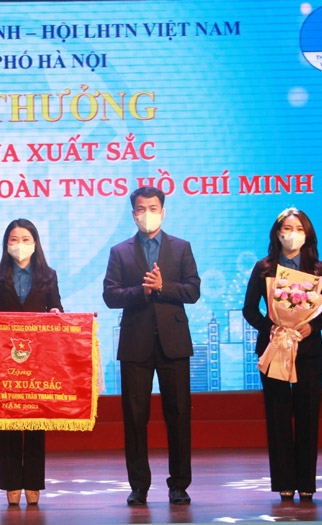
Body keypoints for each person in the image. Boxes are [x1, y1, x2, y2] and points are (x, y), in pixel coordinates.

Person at [102, 186, 201, 506]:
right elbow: (110, 295)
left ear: (163, 211)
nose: (148, 214)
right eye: (141, 209)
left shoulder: (181, 247)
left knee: (179, 414)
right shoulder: (120, 251)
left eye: (153, 208)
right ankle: (139, 485)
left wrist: (163, 287)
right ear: (134, 214)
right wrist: (141, 291)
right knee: (134, 417)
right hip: (136, 344)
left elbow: (193, 290)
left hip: (174, 343)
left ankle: (179, 485)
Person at [242, 208, 322, 501]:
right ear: (277, 233)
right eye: (287, 228)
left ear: (307, 235)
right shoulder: (264, 268)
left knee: (308, 415)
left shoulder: (317, 269)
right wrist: (271, 327)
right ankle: (284, 481)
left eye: (298, 229)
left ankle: (306, 482)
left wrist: (310, 327)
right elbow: (249, 309)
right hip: (274, 349)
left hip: (308, 352)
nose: (292, 234)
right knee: (278, 416)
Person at [0, 219, 63, 506]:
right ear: (6, 244)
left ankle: (34, 483)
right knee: (8, 419)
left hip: (38, 359)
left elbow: (57, 308)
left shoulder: (48, 275)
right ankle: (12, 482)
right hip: (6, 358)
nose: (19, 245)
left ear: (35, 243)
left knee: (36, 419)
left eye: (25, 239)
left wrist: (55, 312)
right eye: (14, 239)